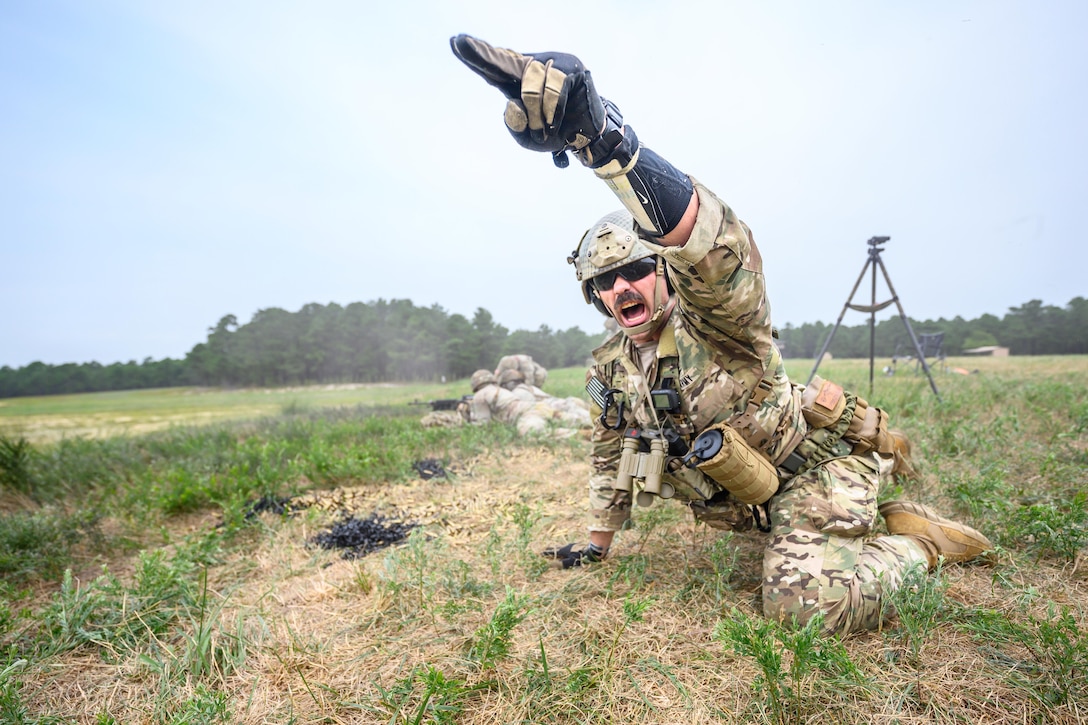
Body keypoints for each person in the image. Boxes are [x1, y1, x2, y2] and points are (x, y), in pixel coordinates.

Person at [450, 35, 993, 634]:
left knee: (802, 613)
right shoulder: (608, 370)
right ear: (592, 293)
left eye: (635, 270)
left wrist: (606, 144)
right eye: (605, 281)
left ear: (663, 272)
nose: (622, 289)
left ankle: (921, 544)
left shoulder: (715, 326)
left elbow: (710, 252)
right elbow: (611, 453)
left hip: (812, 472)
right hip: (747, 504)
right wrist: (597, 544)